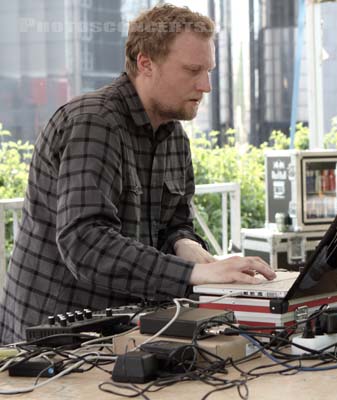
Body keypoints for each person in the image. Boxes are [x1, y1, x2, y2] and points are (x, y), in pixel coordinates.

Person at [0, 4, 275, 344]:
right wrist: (195, 273)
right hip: (52, 344)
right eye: (192, 70)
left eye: (209, 71)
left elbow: (173, 223)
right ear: (145, 63)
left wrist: (183, 243)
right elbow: (85, 242)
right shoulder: (93, 123)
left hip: (123, 334)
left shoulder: (174, 136)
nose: (206, 86)